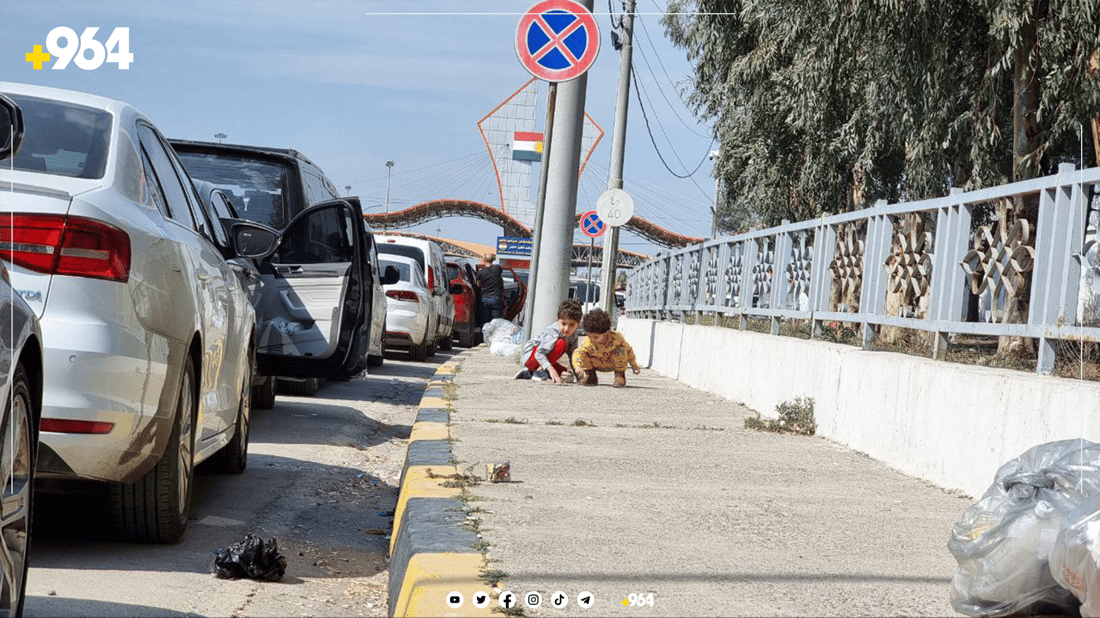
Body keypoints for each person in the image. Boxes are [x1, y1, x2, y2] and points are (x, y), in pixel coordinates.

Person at [514, 299, 583, 384]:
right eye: (563, 324)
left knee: (566, 374)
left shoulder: (574, 335)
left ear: (577, 324)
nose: (566, 329)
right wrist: (551, 370)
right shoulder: (553, 331)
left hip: (542, 359)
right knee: (561, 344)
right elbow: (539, 353)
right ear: (558, 320)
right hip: (532, 357)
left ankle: (529, 372)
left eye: (572, 325)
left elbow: (573, 355)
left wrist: (578, 374)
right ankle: (538, 372)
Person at [571, 308, 641, 388]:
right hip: (596, 363)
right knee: (583, 353)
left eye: (596, 337)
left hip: (612, 363)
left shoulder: (616, 338)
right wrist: (577, 366)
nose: (592, 339)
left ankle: (619, 376)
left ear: (607, 333)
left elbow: (628, 350)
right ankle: (590, 376)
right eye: (589, 336)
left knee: (621, 350)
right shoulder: (588, 341)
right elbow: (578, 353)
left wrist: (634, 365)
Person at [475, 253, 506, 324]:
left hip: (484, 299)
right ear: (493, 260)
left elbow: (477, 284)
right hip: (496, 298)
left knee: (485, 322)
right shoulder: (497, 269)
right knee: (496, 322)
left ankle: (484, 334)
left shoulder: (481, 272)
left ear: (484, 260)